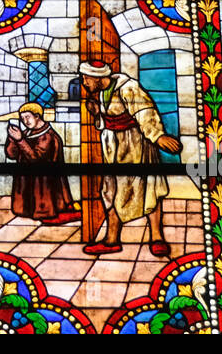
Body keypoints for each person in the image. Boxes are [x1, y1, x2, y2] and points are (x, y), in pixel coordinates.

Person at [78, 60, 181, 257]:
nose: (84, 82)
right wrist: (97, 114)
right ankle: (112, 239)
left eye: (86, 78)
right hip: (113, 149)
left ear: (98, 78)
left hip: (137, 146)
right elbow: (108, 121)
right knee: (110, 192)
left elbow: (145, 112)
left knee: (149, 190)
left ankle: (157, 237)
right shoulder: (101, 93)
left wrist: (158, 136)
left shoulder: (129, 87)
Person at [4, 102, 79, 225]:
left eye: (28, 117)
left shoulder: (48, 136)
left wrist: (20, 140)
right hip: (26, 178)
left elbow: (36, 158)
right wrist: (12, 139)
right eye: (22, 118)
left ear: (37, 116)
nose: (25, 121)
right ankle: (26, 209)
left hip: (44, 180)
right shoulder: (26, 133)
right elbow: (11, 155)